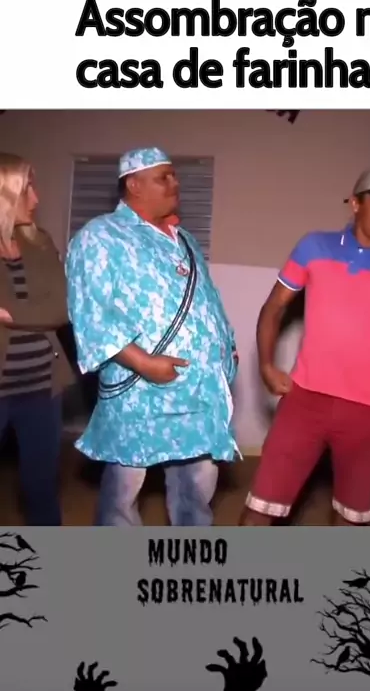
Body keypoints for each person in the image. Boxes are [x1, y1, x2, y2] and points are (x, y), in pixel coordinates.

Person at [239, 166, 370, 527]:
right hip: (303, 400)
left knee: (351, 518)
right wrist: (266, 366)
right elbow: (274, 308)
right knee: (259, 506)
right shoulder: (314, 247)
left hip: (366, 410)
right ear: (356, 204)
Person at [65, 146, 240, 527]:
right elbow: (92, 313)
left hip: (197, 389)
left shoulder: (184, 239)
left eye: (174, 175)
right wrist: (144, 363)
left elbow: (208, 298)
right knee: (123, 492)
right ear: (134, 184)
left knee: (197, 488)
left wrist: (227, 347)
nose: (175, 183)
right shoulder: (100, 236)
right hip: (139, 390)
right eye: (164, 177)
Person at [0, 152, 74, 525]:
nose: (37, 197)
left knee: (41, 487)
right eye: (28, 188)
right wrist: (33, 313)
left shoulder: (40, 241)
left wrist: (9, 316)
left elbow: (61, 309)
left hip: (43, 387)